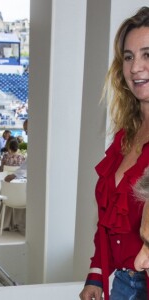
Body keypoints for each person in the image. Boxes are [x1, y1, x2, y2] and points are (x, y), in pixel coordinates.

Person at [79, 7, 149, 300]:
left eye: (148, 54)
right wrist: (96, 274)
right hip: (121, 283)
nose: (135, 68)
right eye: (129, 57)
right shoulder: (125, 136)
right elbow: (106, 219)